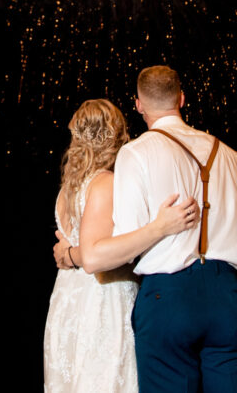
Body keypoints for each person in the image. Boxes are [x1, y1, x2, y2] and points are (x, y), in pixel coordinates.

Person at [62, 66, 237, 392]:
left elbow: (121, 248)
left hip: (167, 298)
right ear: (182, 99)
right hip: (227, 299)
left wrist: (74, 254)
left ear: (138, 104)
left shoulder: (136, 153)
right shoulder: (232, 157)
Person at [43, 99, 199, 393]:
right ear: (116, 135)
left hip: (68, 300)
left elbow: (79, 248)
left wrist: (68, 255)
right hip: (102, 302)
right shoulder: (105, 183)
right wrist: (161, 227)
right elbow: (94, 252)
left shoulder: (67, 189)